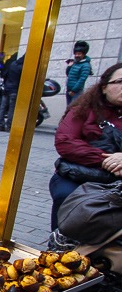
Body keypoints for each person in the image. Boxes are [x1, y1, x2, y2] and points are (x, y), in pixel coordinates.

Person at [49, 62, 122, 232]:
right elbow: (65, 142)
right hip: (79, 173)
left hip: (117, 180)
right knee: (66, 196)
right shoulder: (83, 110)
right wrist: (106, 159)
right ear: (104, 87)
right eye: (119, 82)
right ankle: (60, 246)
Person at [0, 53, 23, 132]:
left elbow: (5, 75)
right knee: (11, 109)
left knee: (3, 107)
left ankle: (0, 125)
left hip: (7, 89)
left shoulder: (12, 64)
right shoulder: (22, 68)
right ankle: (9, 126)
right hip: (14, 90)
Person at [65, 40, 92, 105]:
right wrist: (69, 67)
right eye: (76, 54)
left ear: (83, 54)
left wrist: (74, 90)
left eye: (79, 54)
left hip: (76, 91)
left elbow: (82, 79)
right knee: (68, 108)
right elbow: (68, 74)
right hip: (69, 89)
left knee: (74, 109)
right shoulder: (74, 62)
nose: (77, 55)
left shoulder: (86, 65)